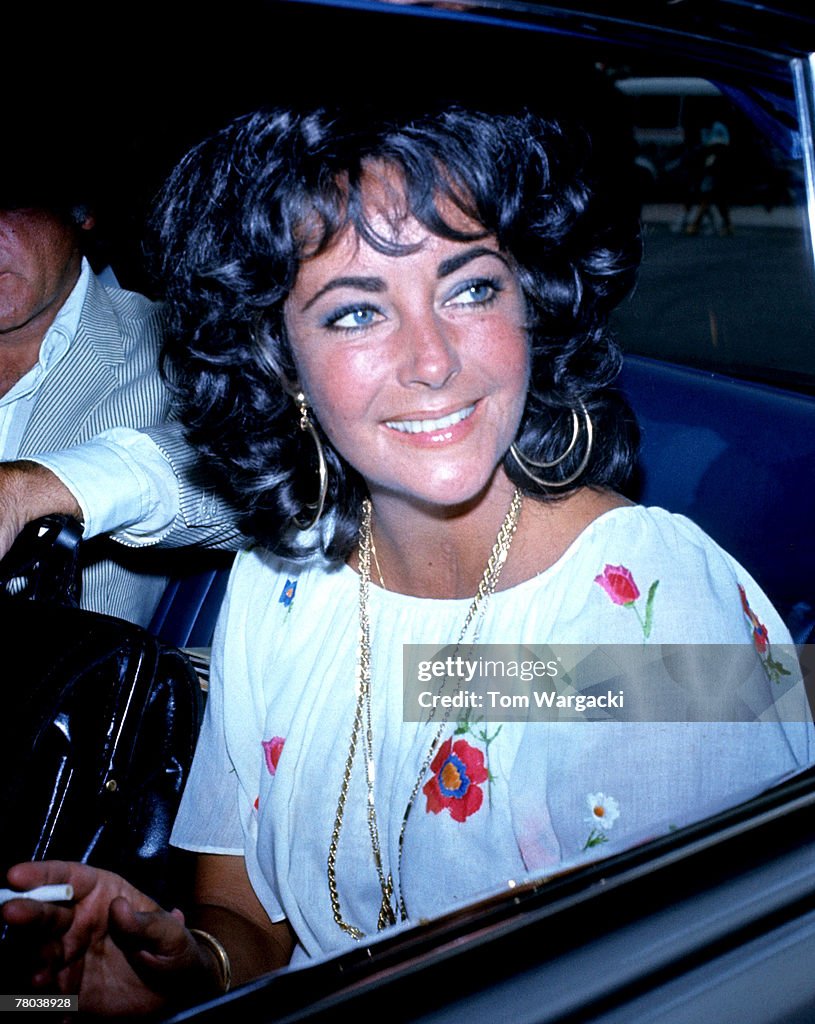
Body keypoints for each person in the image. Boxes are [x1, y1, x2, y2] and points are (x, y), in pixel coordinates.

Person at [3, 100, 812, 1015]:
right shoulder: (282, 578)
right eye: (355, 313)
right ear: (277, 356)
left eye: (470, 289)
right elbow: (246, 918)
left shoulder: (647, 607)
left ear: (530, 303)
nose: (432, 361)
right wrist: (186, 970)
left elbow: (689, 984)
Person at [0, 136, 240, 626]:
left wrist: (38, 489)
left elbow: (254, 482)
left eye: (11, 205)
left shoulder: (175, 347)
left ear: (80, 210)